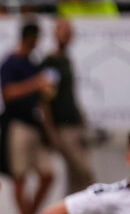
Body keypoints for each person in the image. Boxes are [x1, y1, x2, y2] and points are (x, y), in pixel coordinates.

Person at [0, 21, 56, 214]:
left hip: (36, 125)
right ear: (28, 37)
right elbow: (7, 93)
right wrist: (35, 83)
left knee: (48, 174)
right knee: (19, 176)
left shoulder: (34, 63)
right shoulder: (9, 63)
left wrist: (49, 129)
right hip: (18, 125)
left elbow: (43, 100)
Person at [40, 18, 95, 199]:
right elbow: (44, 100)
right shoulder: (50, 62)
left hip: (75, 123)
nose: (65, 35)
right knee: (84, 172)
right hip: (62, 127)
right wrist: (50, 131)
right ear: (55, 34)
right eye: (62, 31)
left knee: (76, 177)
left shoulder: (67, 60)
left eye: (68, 32)